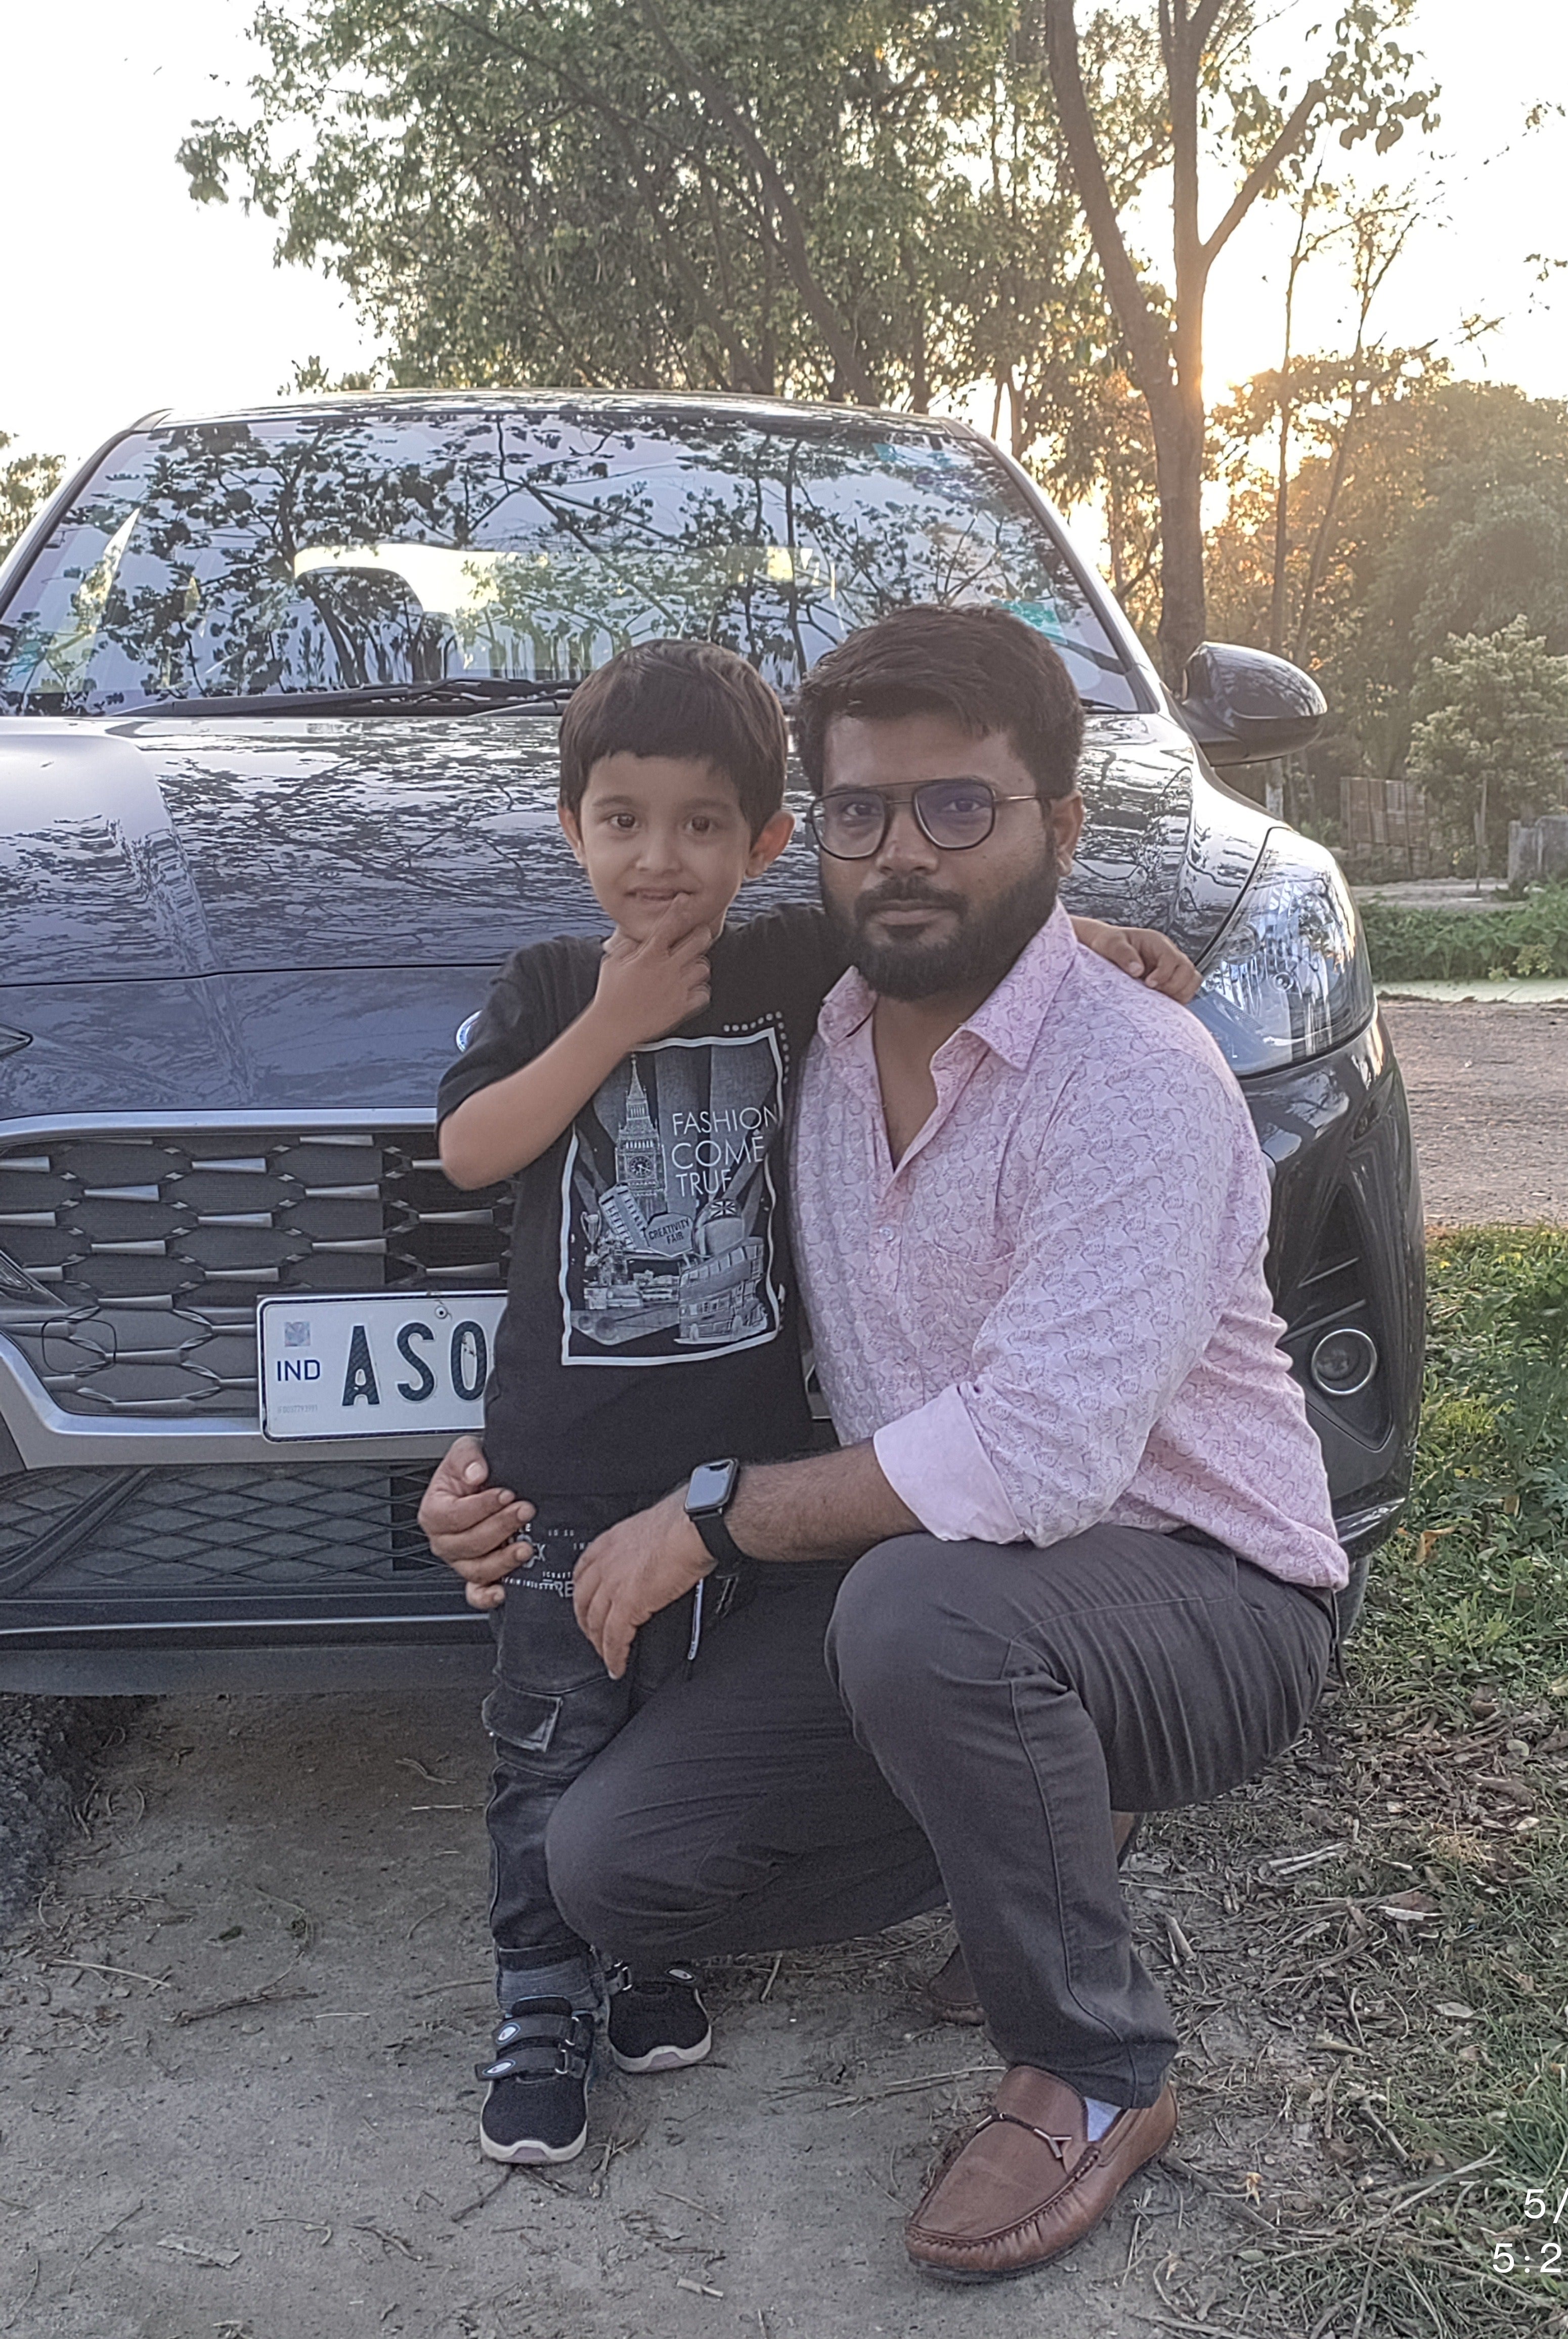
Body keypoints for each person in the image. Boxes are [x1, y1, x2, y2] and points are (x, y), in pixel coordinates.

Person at [429, 634, 1197, 2168]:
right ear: (572, 828)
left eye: (704, 824)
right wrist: (611, 1025)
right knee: (554, 1747)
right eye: (623, 820)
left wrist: (1103, 938)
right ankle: (540, 1999)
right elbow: (468, 1154)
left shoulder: (792, 970)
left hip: (753, 1481)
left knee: (685, 1725)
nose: (661, 858)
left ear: (770, 841)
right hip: (566, 1482)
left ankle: (651, 1953)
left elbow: (955, 938)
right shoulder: (545, 988)